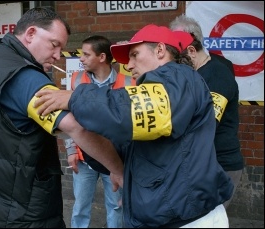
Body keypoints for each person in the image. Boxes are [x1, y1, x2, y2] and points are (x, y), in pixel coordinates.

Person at [34, 24, 234, 227]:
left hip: (188, 221)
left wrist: (75, 98)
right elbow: (128, 144)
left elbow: (131, 113)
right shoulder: (164, 89)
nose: (128, 66)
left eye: (135, 55)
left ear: (160, 50)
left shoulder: (178, 76)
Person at [0, 7, 124, 228]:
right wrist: (117, 169)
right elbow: (76, 128)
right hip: (16, 211)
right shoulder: (25, 77)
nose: (58, 55)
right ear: (30, 33)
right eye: (54, 44)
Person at [169, 15, 244, 209]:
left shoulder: (217, 73)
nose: (175, 59)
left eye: (178, 52)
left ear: (192, 50)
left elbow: (205, 122)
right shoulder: (194, 73)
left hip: (220, 165)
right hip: (202, 164)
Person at [65, 35, 134, 228]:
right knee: (80, 207)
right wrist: (71, 151)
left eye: (86, 54)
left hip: (114, 159)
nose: (81, 59)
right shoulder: (77, 79)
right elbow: (68, 118)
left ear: (102, 57)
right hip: (84, 158)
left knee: (116, 207)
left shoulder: (129, 83)